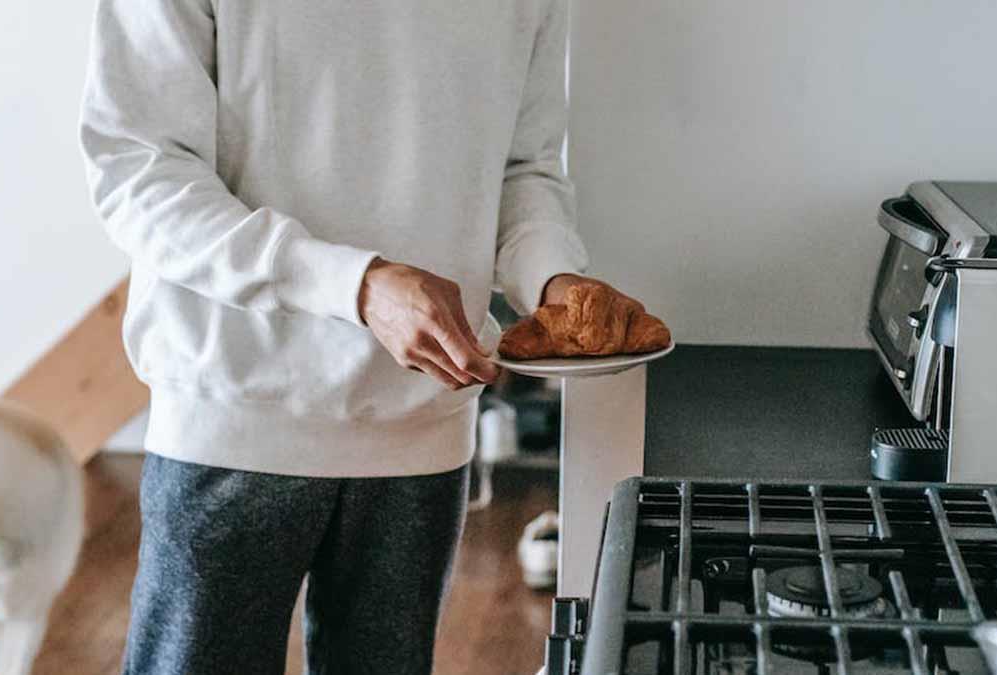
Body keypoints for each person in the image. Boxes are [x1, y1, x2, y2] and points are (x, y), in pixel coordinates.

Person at [79, 1, 648, 673]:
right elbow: (137, 171)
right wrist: (356, 285)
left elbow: (522, 169)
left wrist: (553, 277)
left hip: (420, 431)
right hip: (233, 417)